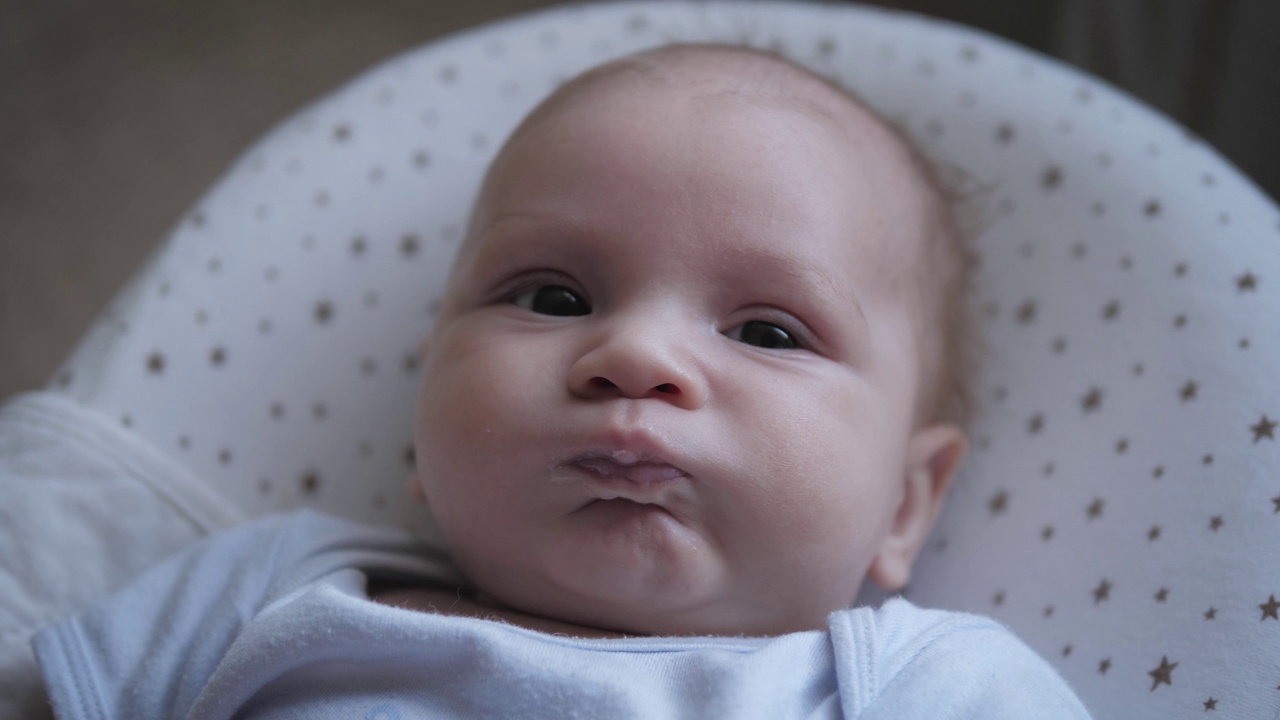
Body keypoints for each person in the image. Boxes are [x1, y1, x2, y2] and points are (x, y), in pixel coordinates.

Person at [34, 44, 1091, 718]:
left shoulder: (915, 689)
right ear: (422, 420)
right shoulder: (269, 587)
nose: (635, 358)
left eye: (766, 330)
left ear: (902, 503)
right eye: (551, 300)